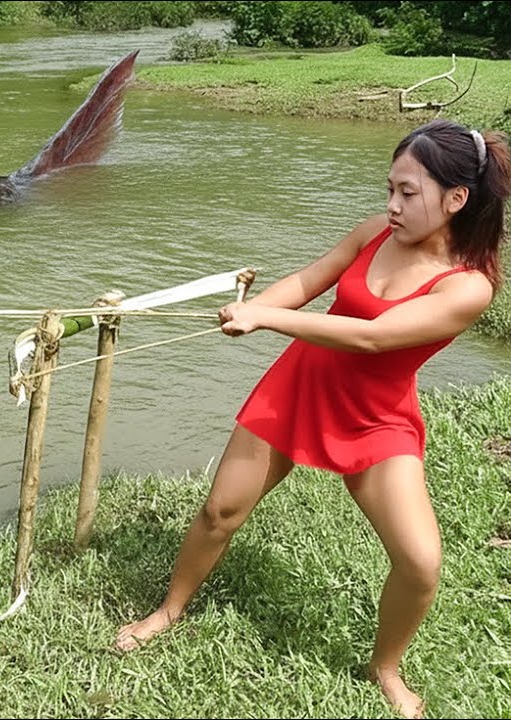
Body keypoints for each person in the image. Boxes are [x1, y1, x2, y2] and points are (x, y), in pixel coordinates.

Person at [112, 117, 509, 719]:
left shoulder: (469, 287)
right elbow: (306, 281)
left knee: (421, 563)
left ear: (457, 199)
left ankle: (385, 666)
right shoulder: (376, 232)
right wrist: (256, 307)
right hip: (299, 387)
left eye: (409, 192)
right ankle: (168, 610)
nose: (392, 205)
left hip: (377, 418)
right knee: (220, 511)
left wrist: (269, 321)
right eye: (390, 188)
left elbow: (374, 338)